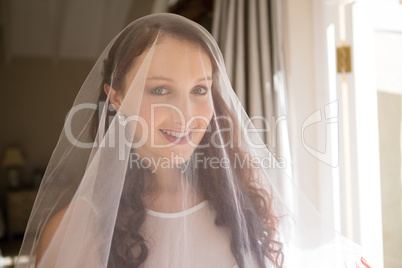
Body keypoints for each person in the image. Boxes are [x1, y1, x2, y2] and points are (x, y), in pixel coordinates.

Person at [17, 14, 371, 268]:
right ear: (116, 98)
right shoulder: (73, 232)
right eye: (160, 90)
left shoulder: (247, 204)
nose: (186, 114)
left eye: (199, 90)